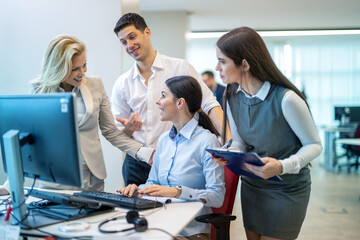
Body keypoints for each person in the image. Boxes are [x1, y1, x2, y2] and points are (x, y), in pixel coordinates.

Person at [0, 35, 152, 194]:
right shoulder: (38, 89)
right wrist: (10, 184)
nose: (82, 73)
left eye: (84, 65)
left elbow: (110, 132)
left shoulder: (95, 85)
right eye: (74, 69)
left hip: (93, 178)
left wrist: (144, 152)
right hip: (56, 179)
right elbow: (27, 139)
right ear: (58, 68)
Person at [212, 27, 323, 240]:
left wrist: (282, 166)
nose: (217, 67)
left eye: (222, 61)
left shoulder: (287, 99)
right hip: (253, 186)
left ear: (244, 64)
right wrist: (228, 154)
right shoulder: (231, 95)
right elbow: (240, 143)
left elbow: (314, 145)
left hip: (287, 189)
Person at [111, 13, 228, 186]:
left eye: (132, 37)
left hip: (175, 159)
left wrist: (229, 144)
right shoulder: (122, 83)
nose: (129, 45)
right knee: (135, 209)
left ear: (147, 33)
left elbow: (210, 104)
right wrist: (128, 130)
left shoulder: (180, 67)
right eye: (123, 42)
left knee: (174, 208)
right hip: (136, 162)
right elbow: (117, 135)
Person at [119, 76, 225, 240]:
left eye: (163, 95)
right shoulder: (164, 140)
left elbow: (217, 197)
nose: (157, 101)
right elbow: (153, 182)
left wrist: (177, 192)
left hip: (191, 232)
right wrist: (138, 189)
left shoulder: (207, 141)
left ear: (180, 103)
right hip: (160, 225)